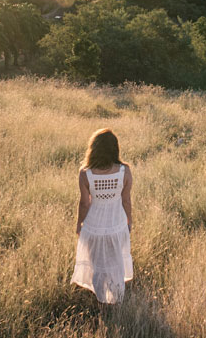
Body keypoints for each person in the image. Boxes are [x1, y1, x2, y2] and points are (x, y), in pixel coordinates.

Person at [71, 128, 134, 304]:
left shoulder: (85, 173)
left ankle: (101, 302)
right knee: (116, 264)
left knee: (97, 266)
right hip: (117, 224)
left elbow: (84, 203)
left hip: (94, 226)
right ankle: (117, 301)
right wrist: (129, 222)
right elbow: (126, 200)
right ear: (115, 148)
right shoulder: (124, 171)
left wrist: (79, 225)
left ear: (94, 149)